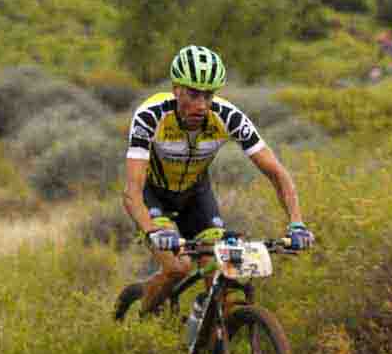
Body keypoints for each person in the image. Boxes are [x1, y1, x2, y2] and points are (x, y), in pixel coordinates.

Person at [122, 45, 314, 314]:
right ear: (176, 89)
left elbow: (277, 174)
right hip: (153, 195)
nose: (201, 104)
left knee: (224, 273)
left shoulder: (228, 117)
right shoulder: (151, 115)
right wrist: (153, 231)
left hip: (195, 196)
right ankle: (142, 320)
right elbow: (132, 192)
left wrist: (296, 222)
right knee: (179, 267)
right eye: (193, 94)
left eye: (208, 95)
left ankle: (215, 342)